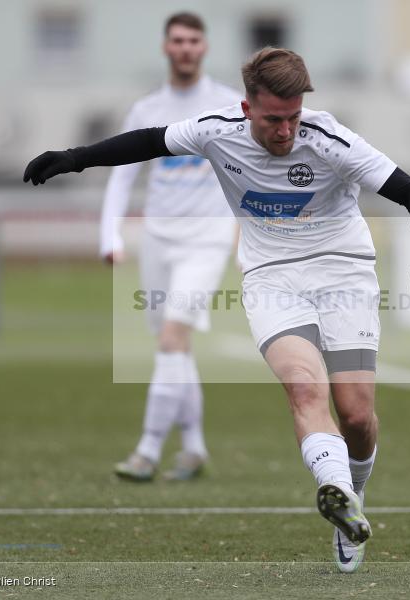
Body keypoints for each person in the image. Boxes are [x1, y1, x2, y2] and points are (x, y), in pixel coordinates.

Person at [24, 47, 410, 573]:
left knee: (357, 414)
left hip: (345, 273)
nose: (286, 131)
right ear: (247, 109)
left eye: (293, 117)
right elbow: (149, 141)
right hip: (272, 278)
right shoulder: (215, 130)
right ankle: (335, 488)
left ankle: (352, 497)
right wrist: (74, 157)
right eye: (274, 119)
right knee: (303, 385)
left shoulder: (330, 139)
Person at [100, 12, 241, 482]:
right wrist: (110, 234)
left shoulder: (227, 104)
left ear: (205, 47)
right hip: (158, 239)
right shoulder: (146, 109)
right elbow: (122, 176)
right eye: (177, 40)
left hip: (207, 239)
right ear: (166, 47)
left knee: (171, 339)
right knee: (176, 349)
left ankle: (147, 449)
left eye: (193, 40)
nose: (185, 48)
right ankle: (196, 448)